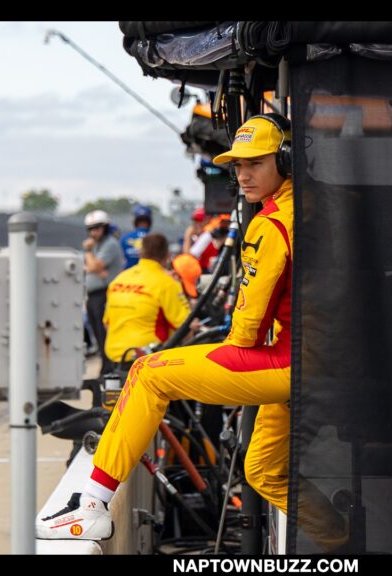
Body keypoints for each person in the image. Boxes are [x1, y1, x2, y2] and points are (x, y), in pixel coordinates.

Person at [37, 114, 348, 550]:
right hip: (328, 358)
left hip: (295, 361)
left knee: (149, 372)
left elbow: (246, 332)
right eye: (236, 166)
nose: (241, 175)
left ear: (286, 160)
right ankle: (344, 540)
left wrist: (223, 361)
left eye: (254, 163)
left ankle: (89, 505)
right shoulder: (322, 208)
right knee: (262, 471)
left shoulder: (272, 222)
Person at [102, 233, 192, 367]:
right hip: (149, 360)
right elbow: (185, 327)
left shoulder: (119, 279)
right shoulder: (168, 283)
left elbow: (107, 323)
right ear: (167, 255)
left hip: (115, 357)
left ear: (140, 253)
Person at [82, 210, 125, 375]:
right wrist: (95, 268)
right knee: (98, 334)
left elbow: (93, 267)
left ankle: (109, 368)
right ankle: (106, 367)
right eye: (91, 229)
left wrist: (88, 255)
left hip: (105, 294)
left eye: (98, 228)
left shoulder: (110, 244)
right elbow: (92, 268)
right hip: (94, 295)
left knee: (104, 332)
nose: (94, 232)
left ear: (105, 228)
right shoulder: (97, 246)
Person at [120, 205, 153, 269]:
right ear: (149, 221)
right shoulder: (156, 239)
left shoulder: (124, 238)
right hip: (150, 277)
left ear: (135, 221)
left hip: (128, 277)